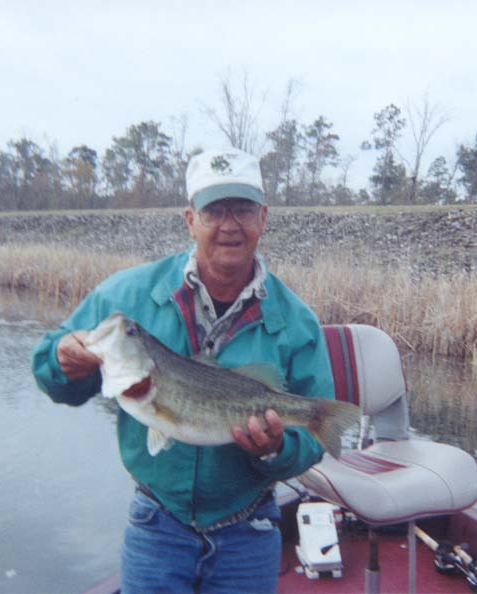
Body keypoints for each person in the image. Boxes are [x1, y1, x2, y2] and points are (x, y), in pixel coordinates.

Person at [31, 147, 336, 593]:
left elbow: (310, 442)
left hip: (249, 527)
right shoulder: (126, 295)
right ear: (190, 219)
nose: (229, 224)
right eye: (214, 210)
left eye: (243, 209)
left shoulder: (297, 322)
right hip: (157, 522)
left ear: (263, 218)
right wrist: (62, 360)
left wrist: (275, 449)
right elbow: (48, 371)